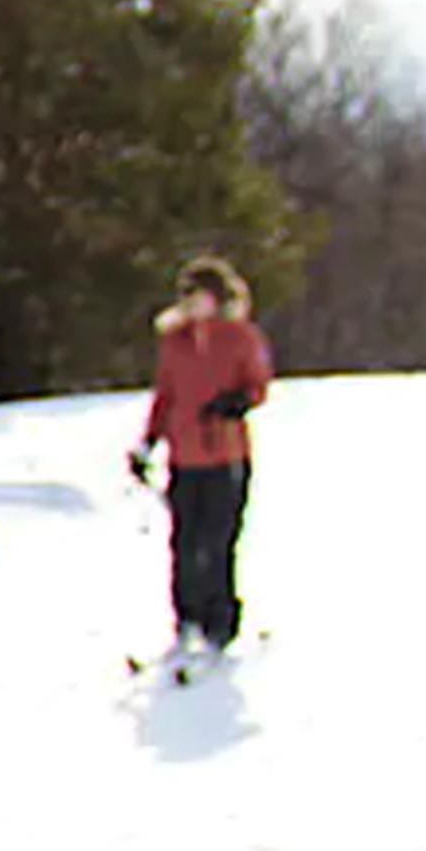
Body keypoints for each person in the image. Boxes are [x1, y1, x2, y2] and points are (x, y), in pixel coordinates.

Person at [132, 256, 270, 662]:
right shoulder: (175, 342)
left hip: (225, 454)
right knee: (184, 541)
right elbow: (166, 396)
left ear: (218, 298)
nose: (192, 303)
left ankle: (220, 621)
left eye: (199, 295)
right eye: (186, 296)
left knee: (218, 540)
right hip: (184, 456)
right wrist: (149, 442)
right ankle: (187, 617)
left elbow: (258, 385)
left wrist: (237, 402)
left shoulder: (240, 337)